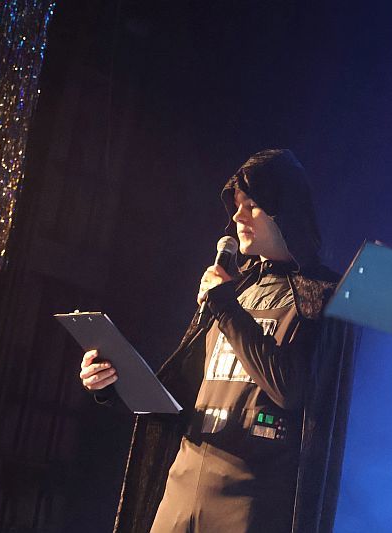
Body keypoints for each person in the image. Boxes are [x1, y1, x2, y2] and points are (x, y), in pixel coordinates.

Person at [79, 149, 355, 533]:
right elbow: (181, 397)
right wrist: (113, 382)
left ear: (284, 211)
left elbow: (291, 390)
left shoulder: (322, 294)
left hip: (251, 503)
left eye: (252, 205)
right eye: (237, 206)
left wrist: (224, 306)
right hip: (182, 490)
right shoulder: (234, 289)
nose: (238, 217)